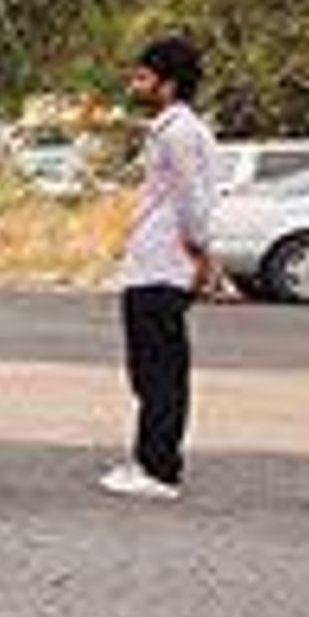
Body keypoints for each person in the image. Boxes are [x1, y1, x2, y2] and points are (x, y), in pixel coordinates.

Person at [106, 34, 221, 501]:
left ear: (168, 84)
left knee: (161, 371)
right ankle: (148, 457)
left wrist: (202, 251)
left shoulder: (178, 133)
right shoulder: (171, 128)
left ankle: (159, 469)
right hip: (152, 262)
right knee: (148, 369)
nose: (136, 84)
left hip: (165, 265)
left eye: (144, 77)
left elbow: (194, 198)